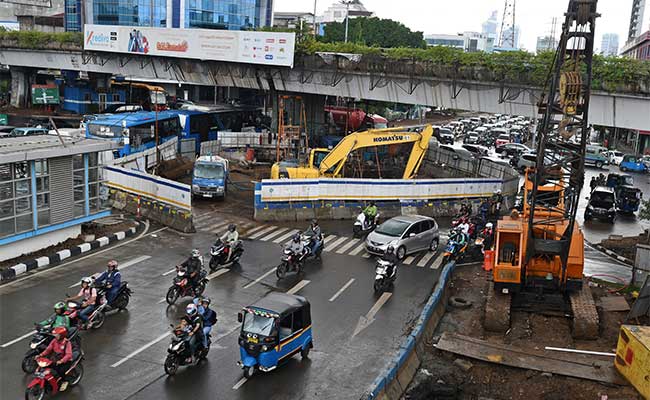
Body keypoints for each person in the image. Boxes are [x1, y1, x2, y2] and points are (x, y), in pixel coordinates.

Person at [38, 326, 73, 392]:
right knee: (45, 367)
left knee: (60, 371)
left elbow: (69, 354)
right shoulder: (54, 341)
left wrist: (61, 361)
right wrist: (41, 355)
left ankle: (64, 381)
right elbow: (48, 349)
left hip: (65, 361)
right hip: (55, 359)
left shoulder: (67, 343)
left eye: (57, 335)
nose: (55, 336)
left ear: (62, 335)